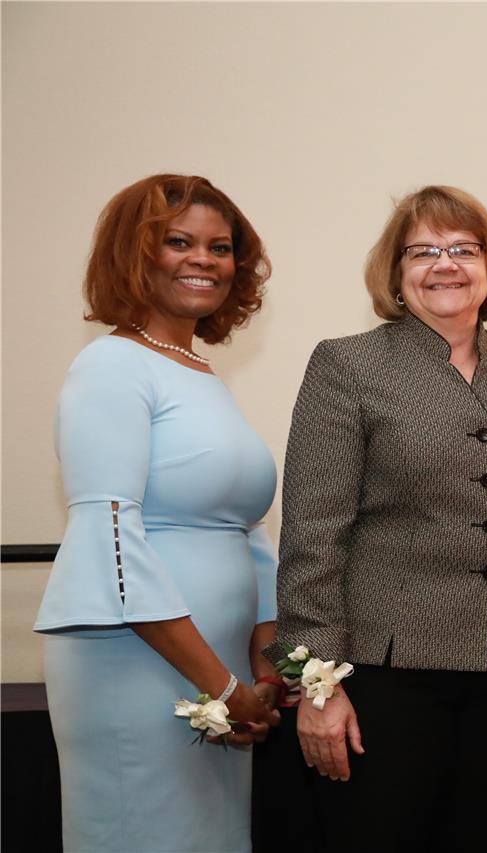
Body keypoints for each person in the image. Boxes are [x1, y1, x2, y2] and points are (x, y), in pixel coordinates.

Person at [266, 185, 487, 851]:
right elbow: (312, 536)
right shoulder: (346, 364)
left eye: (463, 249)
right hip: (381, 677)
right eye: (422, 251)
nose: (445, 264)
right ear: (395, 273)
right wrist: (314, 686)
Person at [34, 174, 281, 852]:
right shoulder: (111, 366)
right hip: (135, 664)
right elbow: (111, 542)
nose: (204, 259)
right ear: (135, 254)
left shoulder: (197, 371)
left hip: (217, 674)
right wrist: (221, 685)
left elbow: (247, 531)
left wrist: (266, 666)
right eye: (179, 242)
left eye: (220, 247)